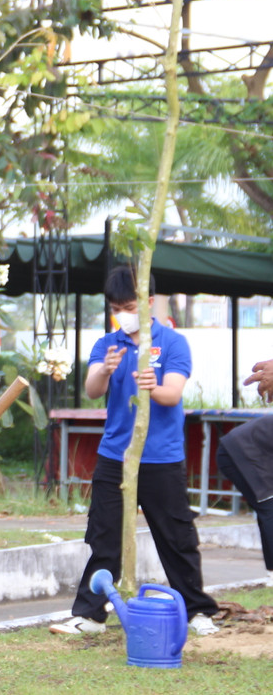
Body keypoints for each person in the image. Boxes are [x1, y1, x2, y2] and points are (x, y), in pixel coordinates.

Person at [49, 267, 220, 638]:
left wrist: (153, 386)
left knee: (176, 537)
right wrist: (106, 371)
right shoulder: (108, 344)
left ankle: (197, 611)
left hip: (162, 458)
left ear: (149, 303)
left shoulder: (173, 343)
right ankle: (91, 615)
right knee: (103, 535)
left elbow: (172, 393)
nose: (123, 314)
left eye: (129, 306)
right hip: (115, 457)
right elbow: (93, 389)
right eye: (116, 308)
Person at [214, 358, 273, 583]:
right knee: (270, 507)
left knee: (268, 508)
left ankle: (271, 574)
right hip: (239, 453)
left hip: (253, 454)